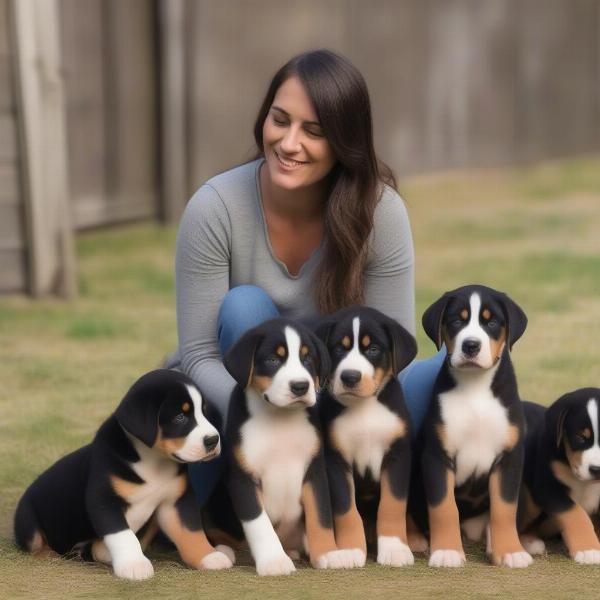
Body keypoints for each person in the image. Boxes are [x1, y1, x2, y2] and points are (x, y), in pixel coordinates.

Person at [166, 49, 444, 504]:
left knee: (449, 370)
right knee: (244, 306)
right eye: (280, 120)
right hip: (247, 401)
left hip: (346, 398)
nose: (289, 143)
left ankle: (368, 489)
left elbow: (396, 353)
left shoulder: (382, 212)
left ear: (344, 141)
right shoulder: (214, 207)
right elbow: (198, 356)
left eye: (313, 132)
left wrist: (318, 409)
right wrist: (276, 405)